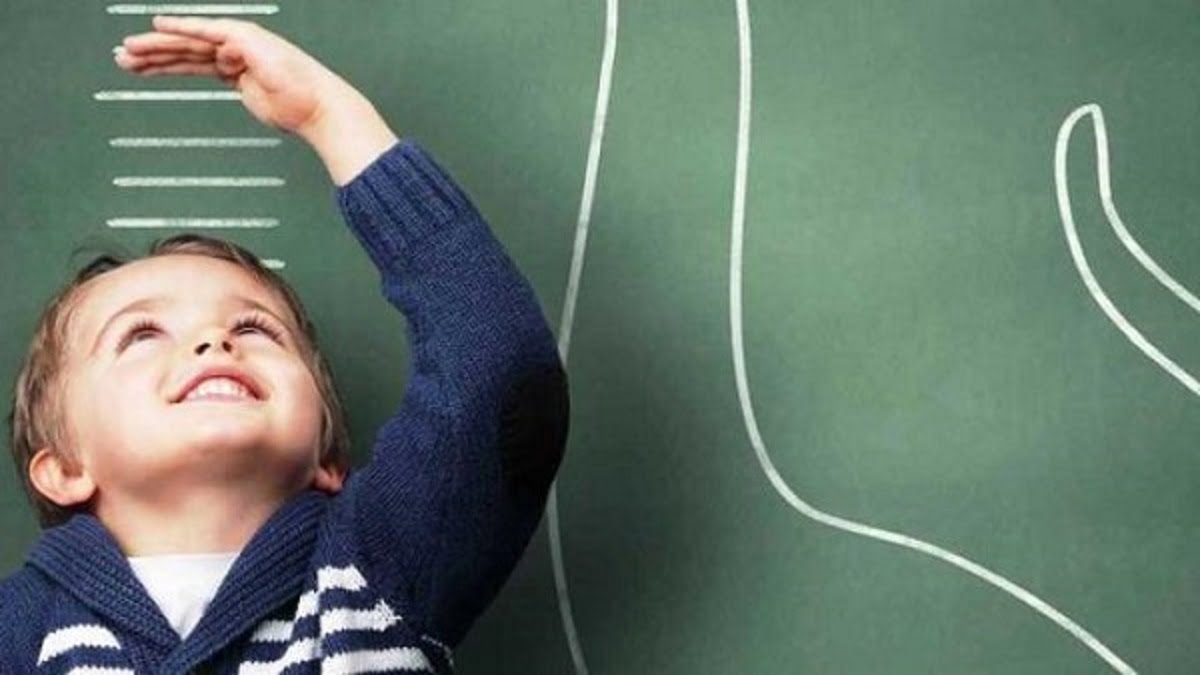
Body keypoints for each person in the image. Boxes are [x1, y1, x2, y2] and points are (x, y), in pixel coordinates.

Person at [0, 16, 569, 672]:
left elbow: (500, 377)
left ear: (327, 457)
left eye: (254, 329)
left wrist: (330, 117)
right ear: (64, 469)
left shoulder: (379, 567)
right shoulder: (21, 629)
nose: (214, 340)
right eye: (143, 332)